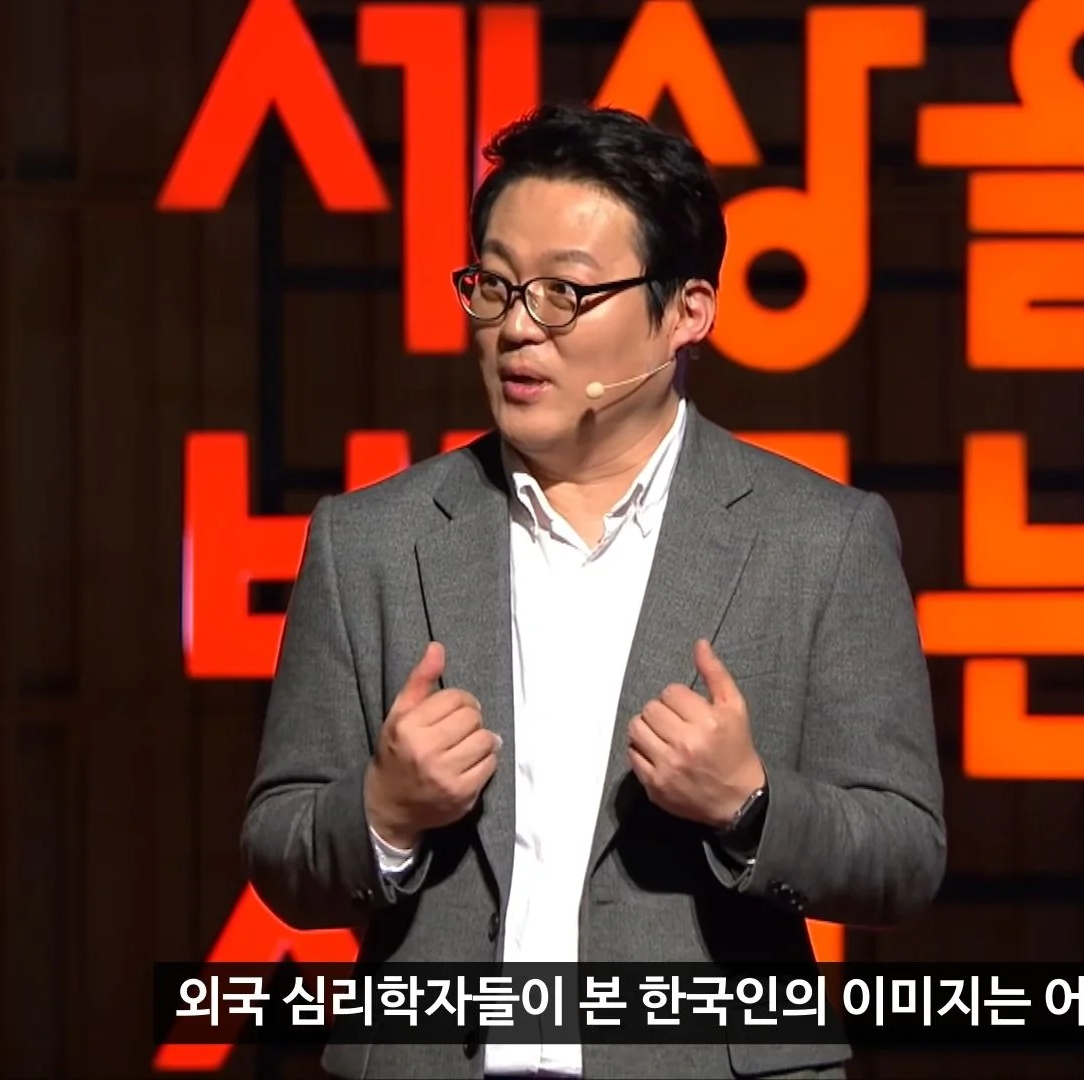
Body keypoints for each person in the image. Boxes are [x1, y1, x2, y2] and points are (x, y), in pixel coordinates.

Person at [243, 102, 947, 1080]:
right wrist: (383, 811)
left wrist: (749, 804)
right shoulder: (369, 540)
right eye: (494, 286)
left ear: (687, 312)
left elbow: (905, 856)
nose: (516, 328)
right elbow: (278, 843)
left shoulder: (822, 540)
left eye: (564, 294)